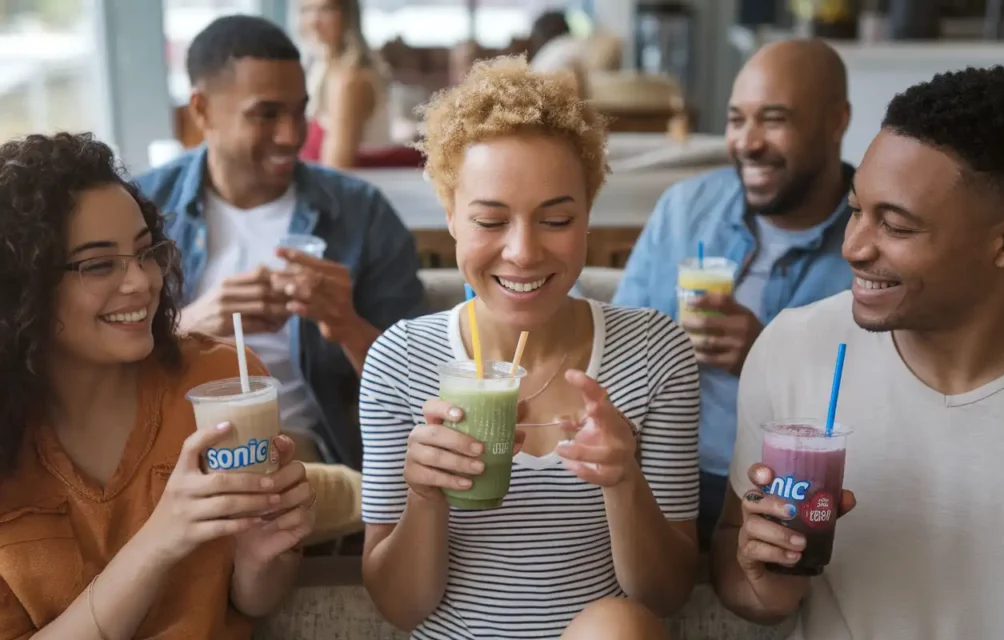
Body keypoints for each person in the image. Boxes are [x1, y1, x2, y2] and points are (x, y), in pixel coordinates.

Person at [358, 57, 700, 639]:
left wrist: (624, 484)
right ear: (451, 219)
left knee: (617, 625)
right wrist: (424, 495)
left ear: (588, 216)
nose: (522, 251)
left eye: (557, 219)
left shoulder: (654, 353)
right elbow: (400, 608)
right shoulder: (400, 362)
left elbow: (665, 596)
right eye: (491, 221)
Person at [712, 66, 1004, 639]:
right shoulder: (796, 347)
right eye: (856, 210)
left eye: (896, 227)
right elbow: (737, 566)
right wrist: (764, 579)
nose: (853, 248)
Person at [0, 133, 316, 639]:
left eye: (146, 252)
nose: (143, 282)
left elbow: (255, 600)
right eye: (99, 263)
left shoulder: (221, 382)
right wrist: (162, 538)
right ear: (21, 286)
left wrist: (262, 556)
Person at [135, 15, 425, 472]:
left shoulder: (361, 214)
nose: (292, 136)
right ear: (202, 110)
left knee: (259, 481)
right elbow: (86, 368)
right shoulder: (143, 209)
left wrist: (345, 323)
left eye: (299, 110)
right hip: (167, 454)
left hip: (302, 455)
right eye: (266, 113)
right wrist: (185, 328)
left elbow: (422, 386)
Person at [613, 38, 855, 547]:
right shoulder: (686, 209)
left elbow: (884, 403)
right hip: (660, 469)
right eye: (736, 119)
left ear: (836, 122)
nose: (748, 142)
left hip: (782, 484)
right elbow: (616, 351)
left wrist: (765, 356)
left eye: (774, 119)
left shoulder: (871, 239)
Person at [297, 0, 399, 169]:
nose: (314, 21)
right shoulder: (321, 69)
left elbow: (335, 169)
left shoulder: (349, 81)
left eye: (326, 9)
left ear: (348, 16)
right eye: (306, 10)